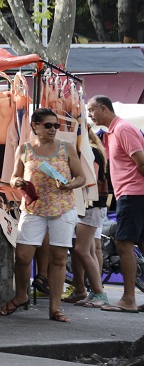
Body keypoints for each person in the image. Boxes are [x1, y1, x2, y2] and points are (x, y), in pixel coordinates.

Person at [2, 107, 86, 323]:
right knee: (22, 256)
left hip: (62, 208)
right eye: (48, 125)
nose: (53, 129)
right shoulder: (24, 149)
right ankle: (21, 295)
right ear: (35, 126)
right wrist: (17, 183)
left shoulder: (66, 148)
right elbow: (13, 177)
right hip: (34, 208)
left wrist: (69, 185)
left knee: (58, 259)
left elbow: (81, 177)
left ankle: (55, 308)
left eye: (56, 125)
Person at [87, 95, 144, 313]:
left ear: (104, 108)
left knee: (124, 244)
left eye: (92, 110)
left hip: (133, 194)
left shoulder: (122, 129)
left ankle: (129, 299)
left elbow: (141, 161)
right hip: (131, 194)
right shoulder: (114, 131)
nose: (90, 114)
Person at [64, 125, 110, 308]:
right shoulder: (93, 149)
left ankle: (98, 292)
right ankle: (92, 292)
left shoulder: (90, 150)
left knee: (83, 250)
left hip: (91, 206)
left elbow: (91, 179)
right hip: (89, 206)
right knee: (88, 249)